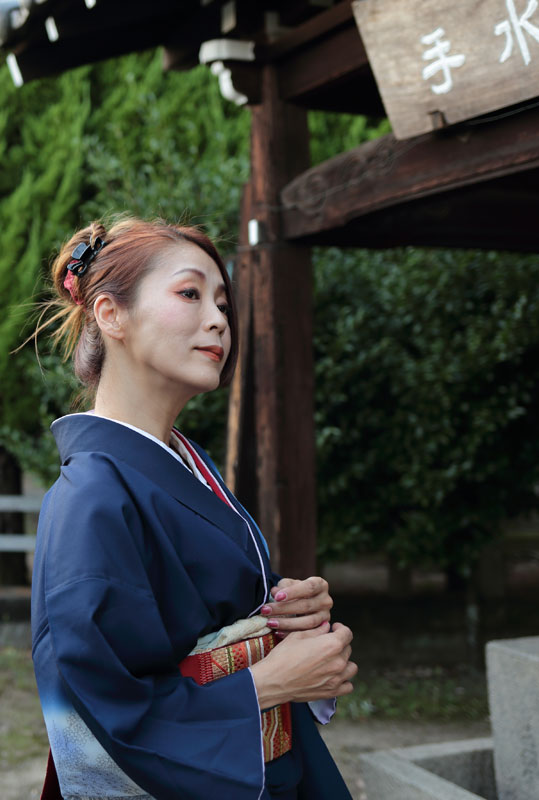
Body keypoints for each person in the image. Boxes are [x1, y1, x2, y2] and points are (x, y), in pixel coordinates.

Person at [29, 217, 358, 800]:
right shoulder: (91, 500)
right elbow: (102, 708)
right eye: (190, 294)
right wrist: (264, 684)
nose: (219, 320)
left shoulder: (186, 465)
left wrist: (287, 611)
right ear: (111, 315)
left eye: (223, 304)